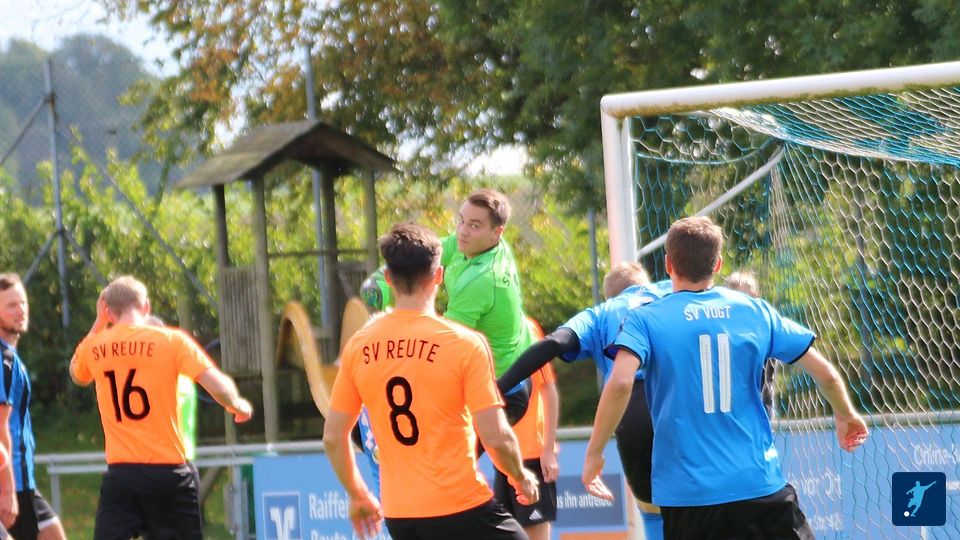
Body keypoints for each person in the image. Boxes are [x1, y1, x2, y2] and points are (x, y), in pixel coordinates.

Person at [582, 216, 870, 540]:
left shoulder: (645, 319)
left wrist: (594, 453)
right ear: (718, 264)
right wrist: (846, 414)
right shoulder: (754, 310)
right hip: (760, 487)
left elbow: (621, 383)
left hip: (689, 499)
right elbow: (826, 374)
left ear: (668, 264)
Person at [323, 223, 538, 540]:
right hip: (462, 506)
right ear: (439, 276)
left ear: (389, 278)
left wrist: (357, 494)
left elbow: (333, 436)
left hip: (401, 517)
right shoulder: (463, 344)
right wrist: (519, 476)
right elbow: (495, 435)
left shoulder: (359, 347)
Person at [70, 276, 253, 540]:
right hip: (168, 473)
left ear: (108, 311)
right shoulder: (171, 341)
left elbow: (77, 374)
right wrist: (237, 404)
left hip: (121, 475)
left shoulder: (95, 346)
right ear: (146, 307)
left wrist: (99, 323)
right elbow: (217, 385)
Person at [498, 262, 669, 540]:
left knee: (653, 512)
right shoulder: (670, 292)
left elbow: (554, 343)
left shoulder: (600, 313)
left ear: (609, 295)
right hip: (678, 400)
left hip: (633, 411)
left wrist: (500, 387)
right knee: (702, 506)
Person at [442, 189, 536, 422]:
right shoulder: (479, 244)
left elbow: (445, 344)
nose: (462, 231)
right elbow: (429, 252)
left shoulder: (481, 280)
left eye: (474, 225)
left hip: (502, 391)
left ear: (497, 232)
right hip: (510, 373)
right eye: (461, 221)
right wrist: (385, 279)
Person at [0, 274, 67, 540]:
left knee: (53, 535)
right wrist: (7, 489)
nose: (21, 311)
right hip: (11, 480)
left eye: (23, 303)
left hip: (22, 480)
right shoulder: (4, 361)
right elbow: (0, 426)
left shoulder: (11, 356)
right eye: (11, 305)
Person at [493, 319, 558, 540]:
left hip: (531, 456)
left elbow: (548, 388)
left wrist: (547, 449)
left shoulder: (525, 328)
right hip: (503, 459)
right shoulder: (481, 332)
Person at [725, 270, 778, 418]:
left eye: (749, 299)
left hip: (759, 408)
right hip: (728, 410)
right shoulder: (722, 330)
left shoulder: (765, 327)